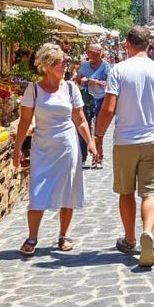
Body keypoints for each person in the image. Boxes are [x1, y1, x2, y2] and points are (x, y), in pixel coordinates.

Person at [94, 26, 154, 268]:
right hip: (153, 139)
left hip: (125, 141)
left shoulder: (119, 70)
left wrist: (98, 136)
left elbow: (108, 109)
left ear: (128, 45)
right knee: (151, 192)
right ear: (149, 45)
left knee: (126, 191)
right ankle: (148, 232)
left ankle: (130, 238)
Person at [13, 44, 97, 255]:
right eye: (60, 62)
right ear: (48, 65)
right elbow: (24, 121)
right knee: (37, 190)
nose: (64, 65)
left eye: (64, 62)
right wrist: (17, 149)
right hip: (42, 146)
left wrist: (91, 142)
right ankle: (32, 236)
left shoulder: (70, 88)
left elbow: (79, 118)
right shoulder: (33, 89)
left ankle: (63, 235)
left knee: (67, 189)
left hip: (67, 145)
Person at [74, 44, 112, 169]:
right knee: (84, 126)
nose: (88, 55)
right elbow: (78, 80)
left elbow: (108, 83)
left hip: (101, 99)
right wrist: (85, 81)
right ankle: (84, 157)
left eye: (91, 52)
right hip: (86, 99)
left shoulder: (106, 66)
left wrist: (92, 81)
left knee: (98, 130)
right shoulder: (84, 66)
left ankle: (98, 157)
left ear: (98, 53)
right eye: (88, 52)